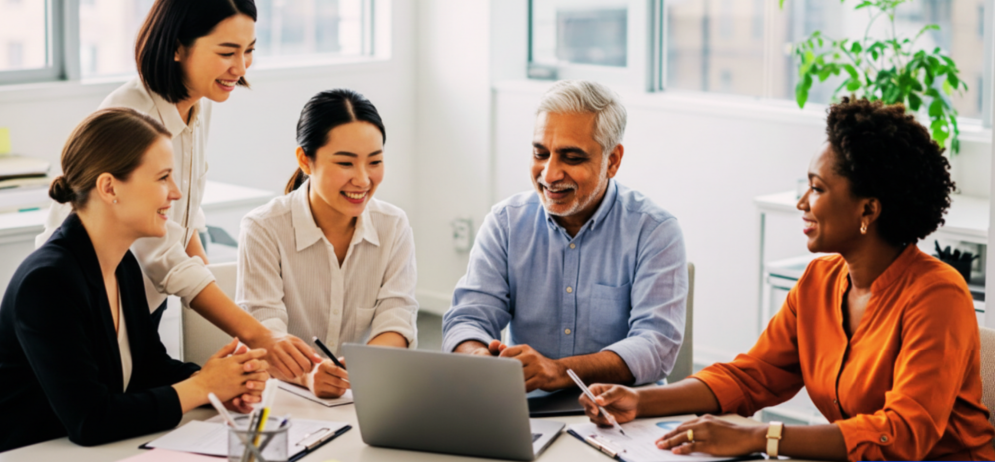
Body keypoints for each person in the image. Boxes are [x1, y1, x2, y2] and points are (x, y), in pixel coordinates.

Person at [579, 98, 995, 462]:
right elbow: (753, 376)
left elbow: (904, 435)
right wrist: (640, 399)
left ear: (868, 210)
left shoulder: (937, 295)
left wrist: (762, 436)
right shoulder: (819, 281)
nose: (802, 203)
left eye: (817, 189)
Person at [36, 0, 319, 381]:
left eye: (249, 50)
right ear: (177, 47)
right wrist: (258, 335)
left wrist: (238, 330)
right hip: (84, 301)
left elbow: (185, 222)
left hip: (134, 304)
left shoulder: (196, 104)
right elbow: (164, 257)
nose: (241, 67)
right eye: (227, 52)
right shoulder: (135, 117)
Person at [0, 108, 270, 458]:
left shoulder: (123, 264)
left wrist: (222, 382)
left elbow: (148, 368)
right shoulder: (47, 282)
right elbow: (91, 420)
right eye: (162, 178)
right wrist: (202, 386)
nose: (175, 193)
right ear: (110, 187)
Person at [441, 80, 688, 392]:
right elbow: (466, 319)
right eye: (541, 153)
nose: (550, 174)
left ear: (612, 160)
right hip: (526, 407)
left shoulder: (654, 231)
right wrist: (478, 356)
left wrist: (559, 371)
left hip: (623, 410)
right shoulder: (506, 222)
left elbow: (657, 346)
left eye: (571, 158)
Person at [236, 89, 418, 399]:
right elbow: (265, 333)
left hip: (364, 394)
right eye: (346, 164)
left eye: (374, 162)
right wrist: (309, 376)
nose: (362, 180)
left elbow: (397, 317)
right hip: (284, 395)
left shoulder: (393, 225)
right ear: (305, 160)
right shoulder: (263, 228)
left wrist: (361, 370)